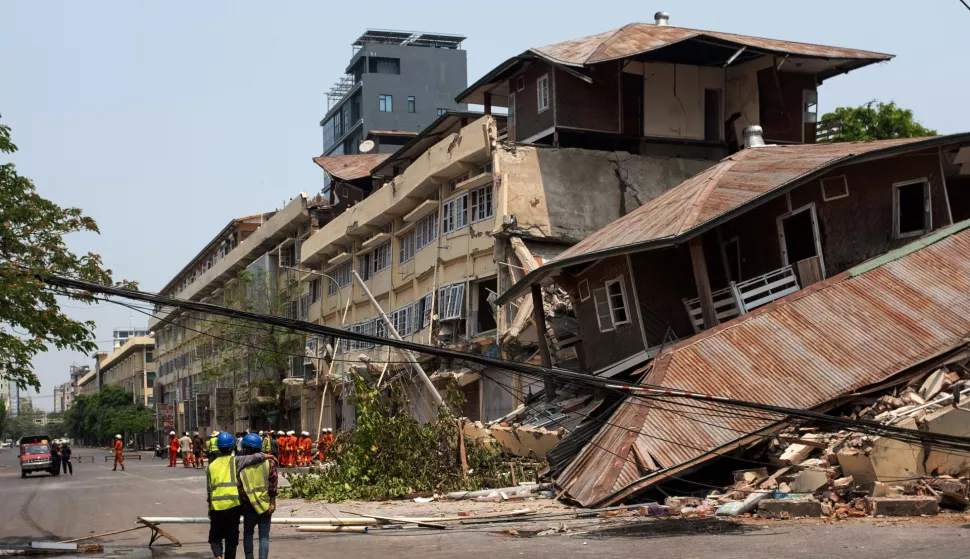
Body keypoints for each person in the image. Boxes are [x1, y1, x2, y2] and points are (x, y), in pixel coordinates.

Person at [237, 433, 277, 559]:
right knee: (264, 537)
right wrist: (272, 502)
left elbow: (239, 487)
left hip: (248, 507)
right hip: (265, 505)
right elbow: (273, 484)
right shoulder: (269, 463)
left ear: (248, 448)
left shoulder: (241, 464)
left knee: (248, 535)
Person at [207, 432, 242, 559]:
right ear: (232, 447)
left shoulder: (211, 466)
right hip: (234, 505)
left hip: (217, 506)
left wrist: (209, 507)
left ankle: (218, 556)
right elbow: (252, 458)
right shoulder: (236, 461)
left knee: (215, 537)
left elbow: (209, 490)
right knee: (231, 537)